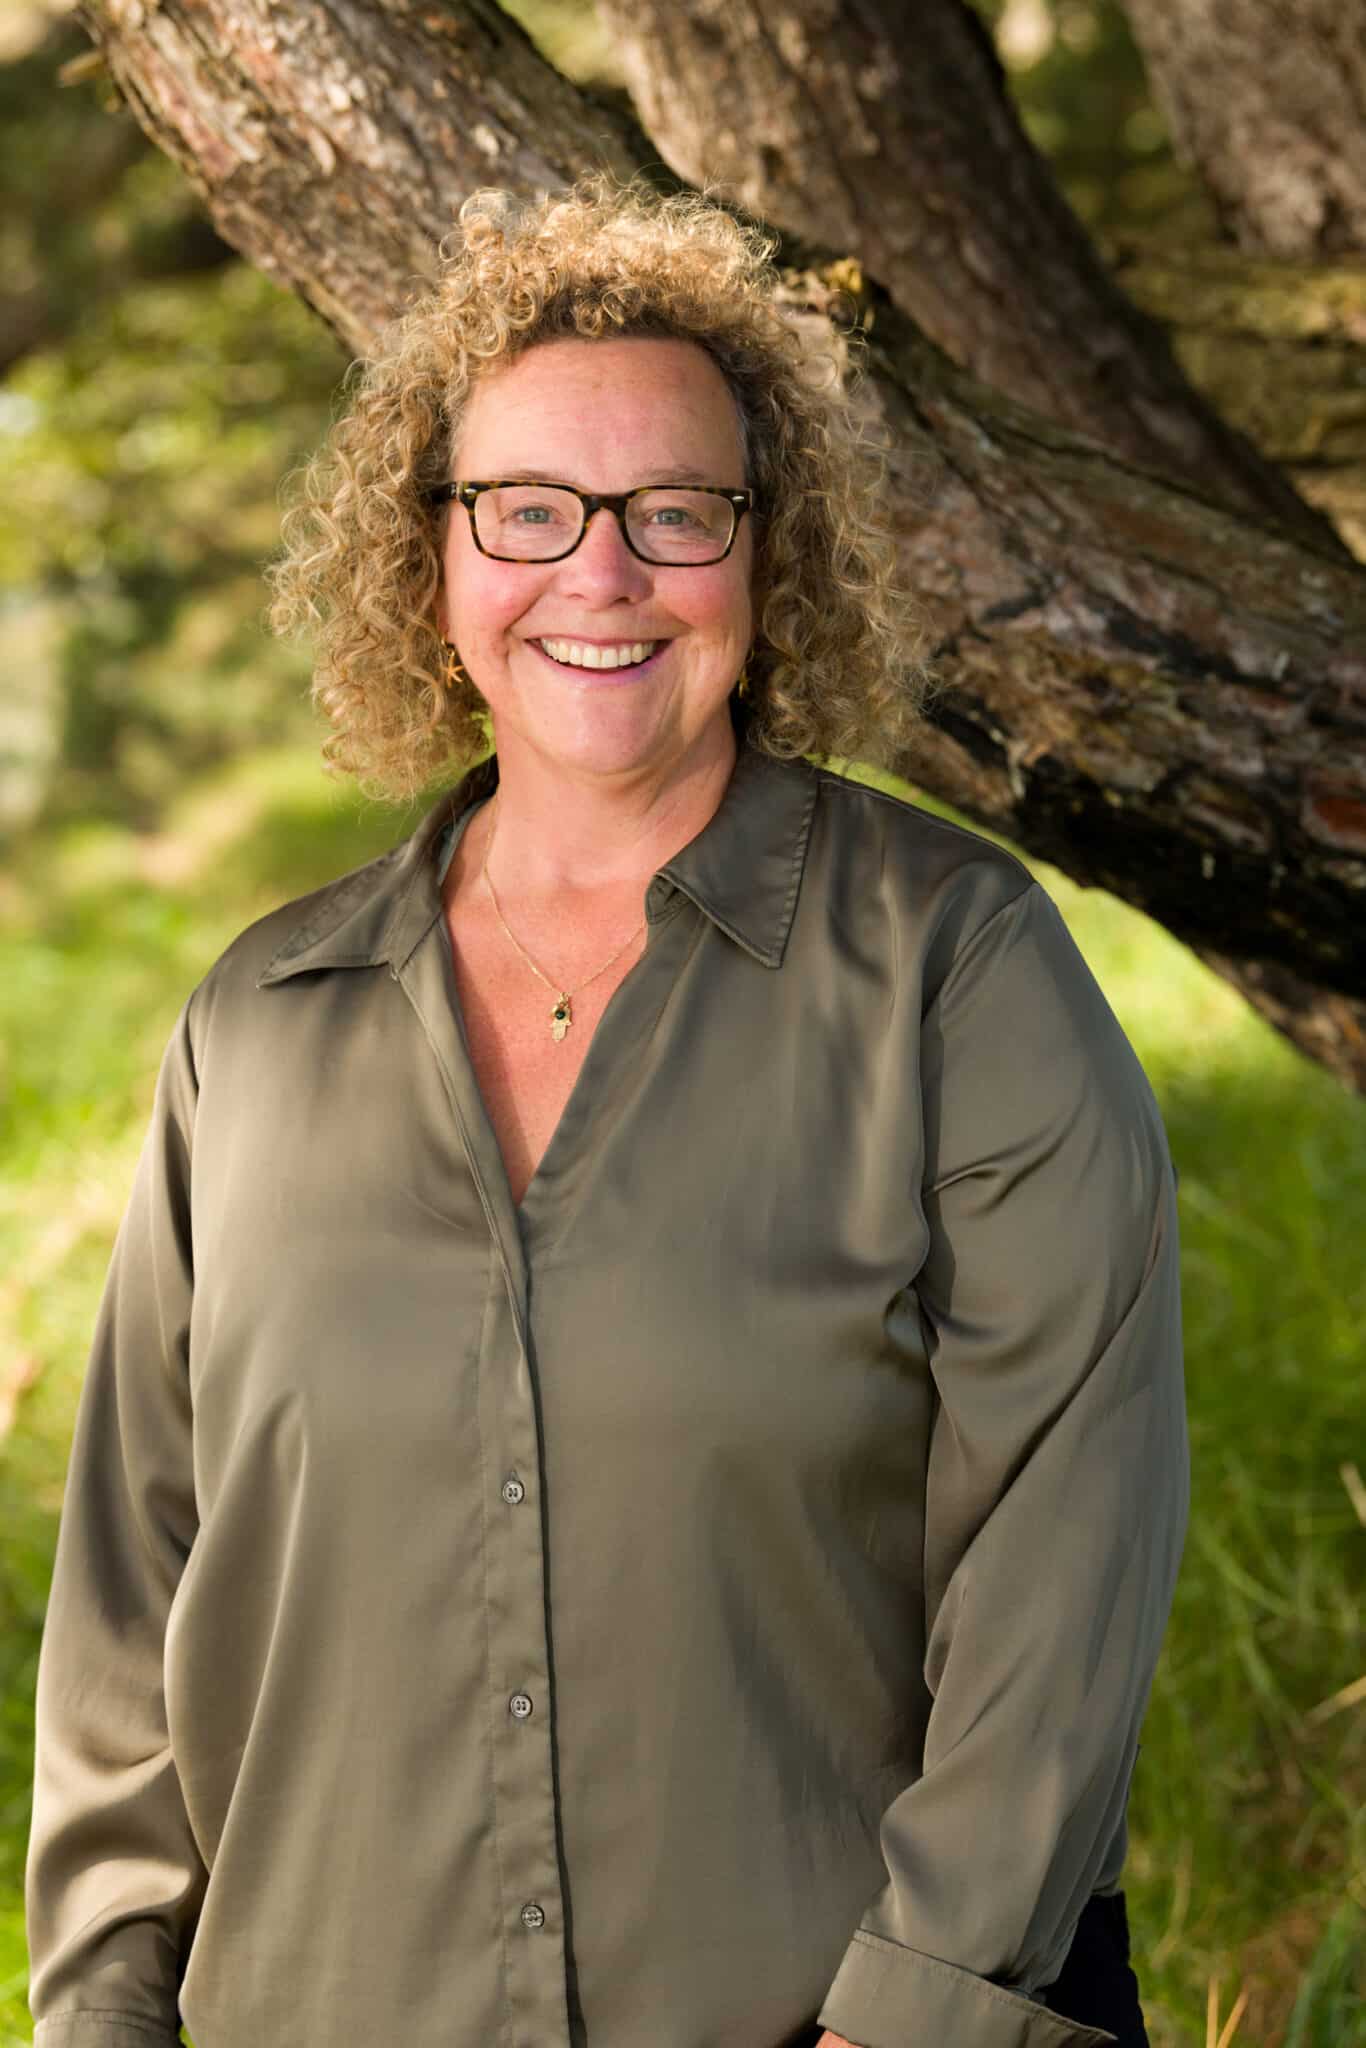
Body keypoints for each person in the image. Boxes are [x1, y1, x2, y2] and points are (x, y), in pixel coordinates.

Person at [24, 174, 1188, 2048]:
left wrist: (919, 2015)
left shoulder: (958, 974)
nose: (601, 572)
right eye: (529, 511)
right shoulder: (253, 1026)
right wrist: (100, 2017)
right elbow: (126, 1625)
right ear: (433, 561)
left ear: (765, 553)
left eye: (674, 513)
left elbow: (1065, 1562)